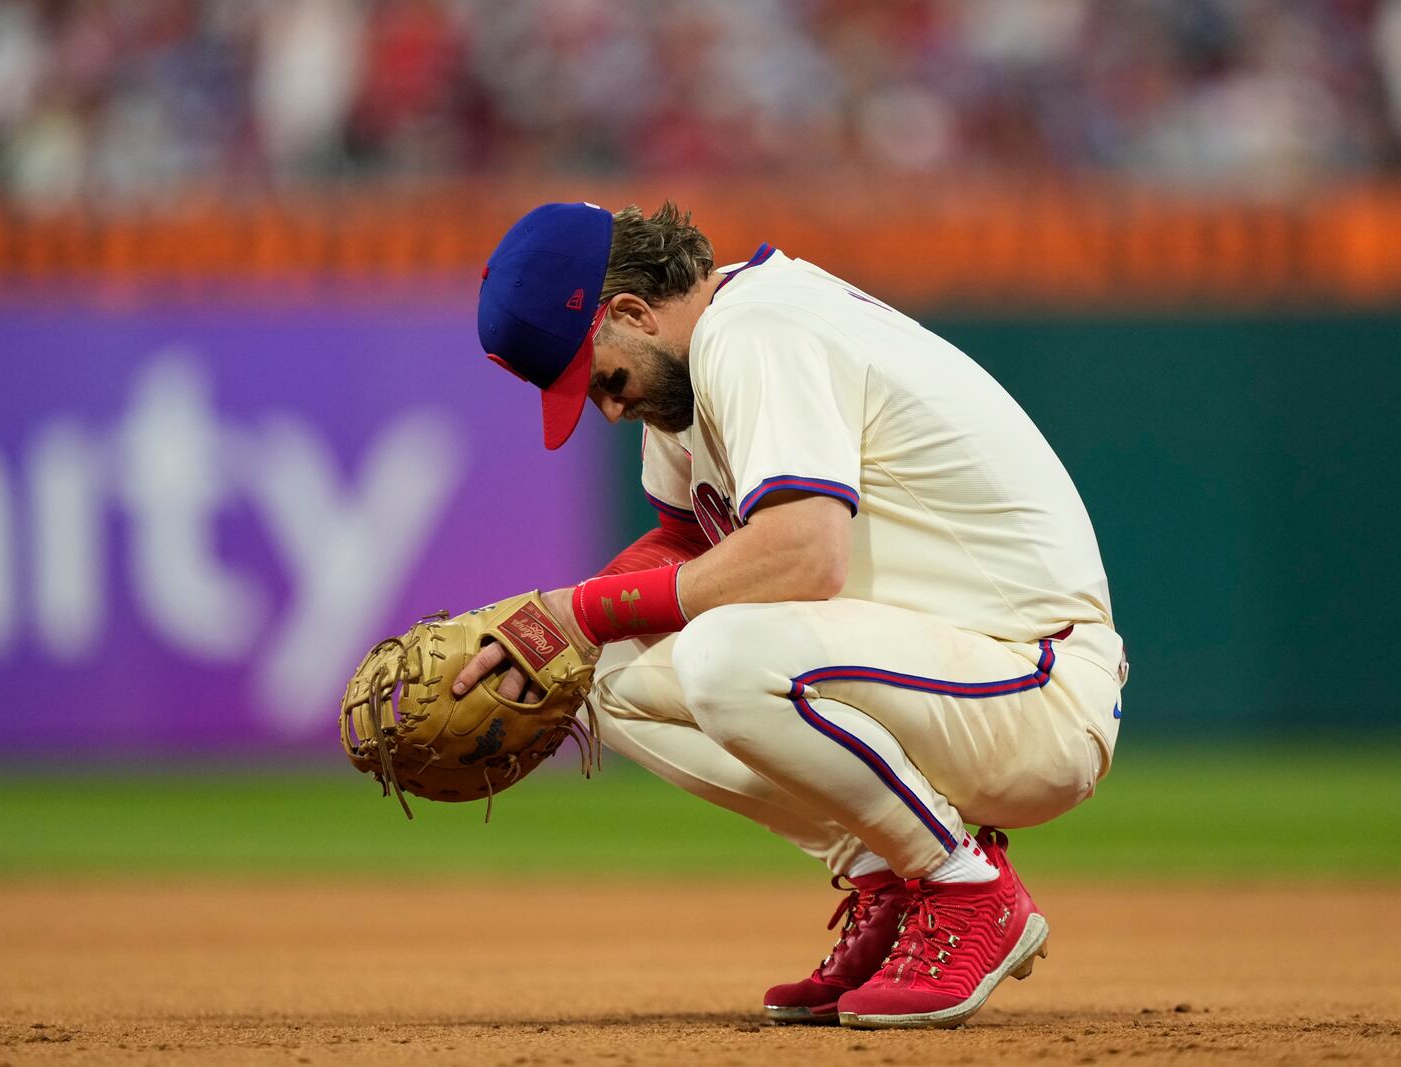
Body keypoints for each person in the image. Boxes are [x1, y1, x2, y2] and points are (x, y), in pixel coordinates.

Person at [456, 201, 1127, 1030]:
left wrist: (579, 608)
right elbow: (681, 543)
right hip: (938, 672)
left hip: (1033, 683)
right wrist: (548, 626)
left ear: (631, 313)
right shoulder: (690, 369)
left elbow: (804, 554)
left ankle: (965, 886)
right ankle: (891, 871)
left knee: (724, 656)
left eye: (599, 379)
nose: (608, 409)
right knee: (593, 671)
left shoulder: (758, 330)